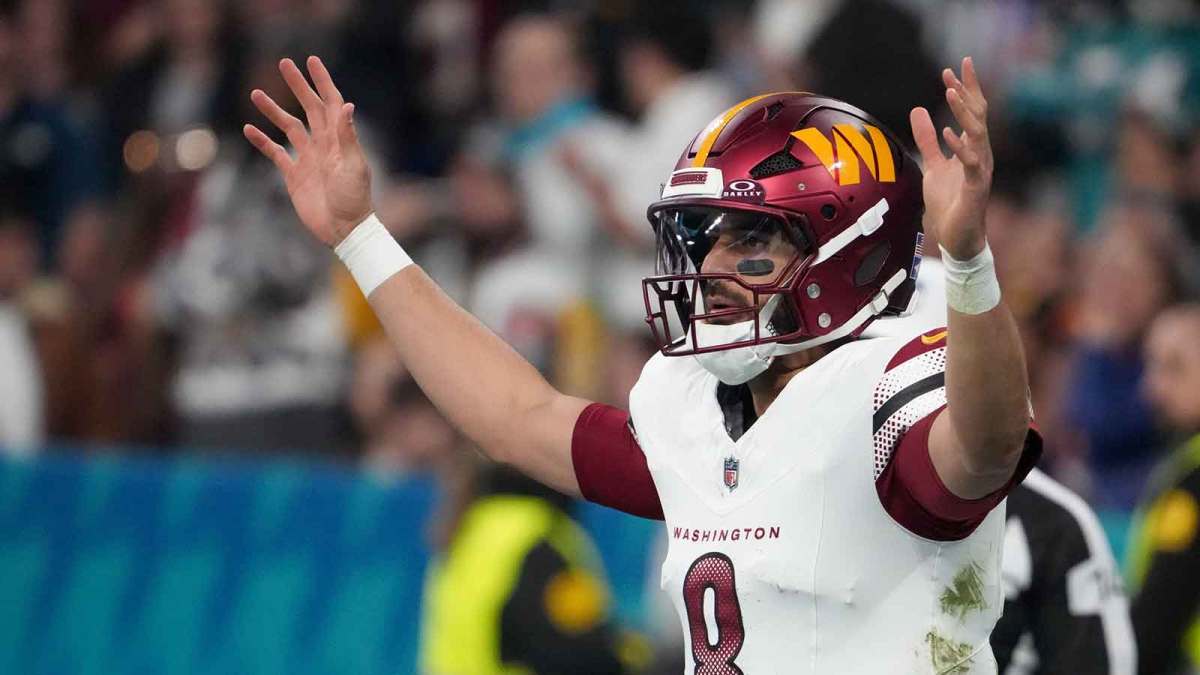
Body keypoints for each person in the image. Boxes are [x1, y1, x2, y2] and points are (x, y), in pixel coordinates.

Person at [244, 55, 1039, 672]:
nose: (712, 267)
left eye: (751, 239)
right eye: (705, 238)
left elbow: (986, 445)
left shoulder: (888, 382)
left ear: (849, 252)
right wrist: (360, 235)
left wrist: (967, 261)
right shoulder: (690, 401)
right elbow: (516, 418)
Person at [1127, 305, 1200, 674]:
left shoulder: (1192, 485)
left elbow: (1162, 612)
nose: (1151, 388)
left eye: (1174, 367)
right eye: (1151, 366)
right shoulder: (1184, 462)